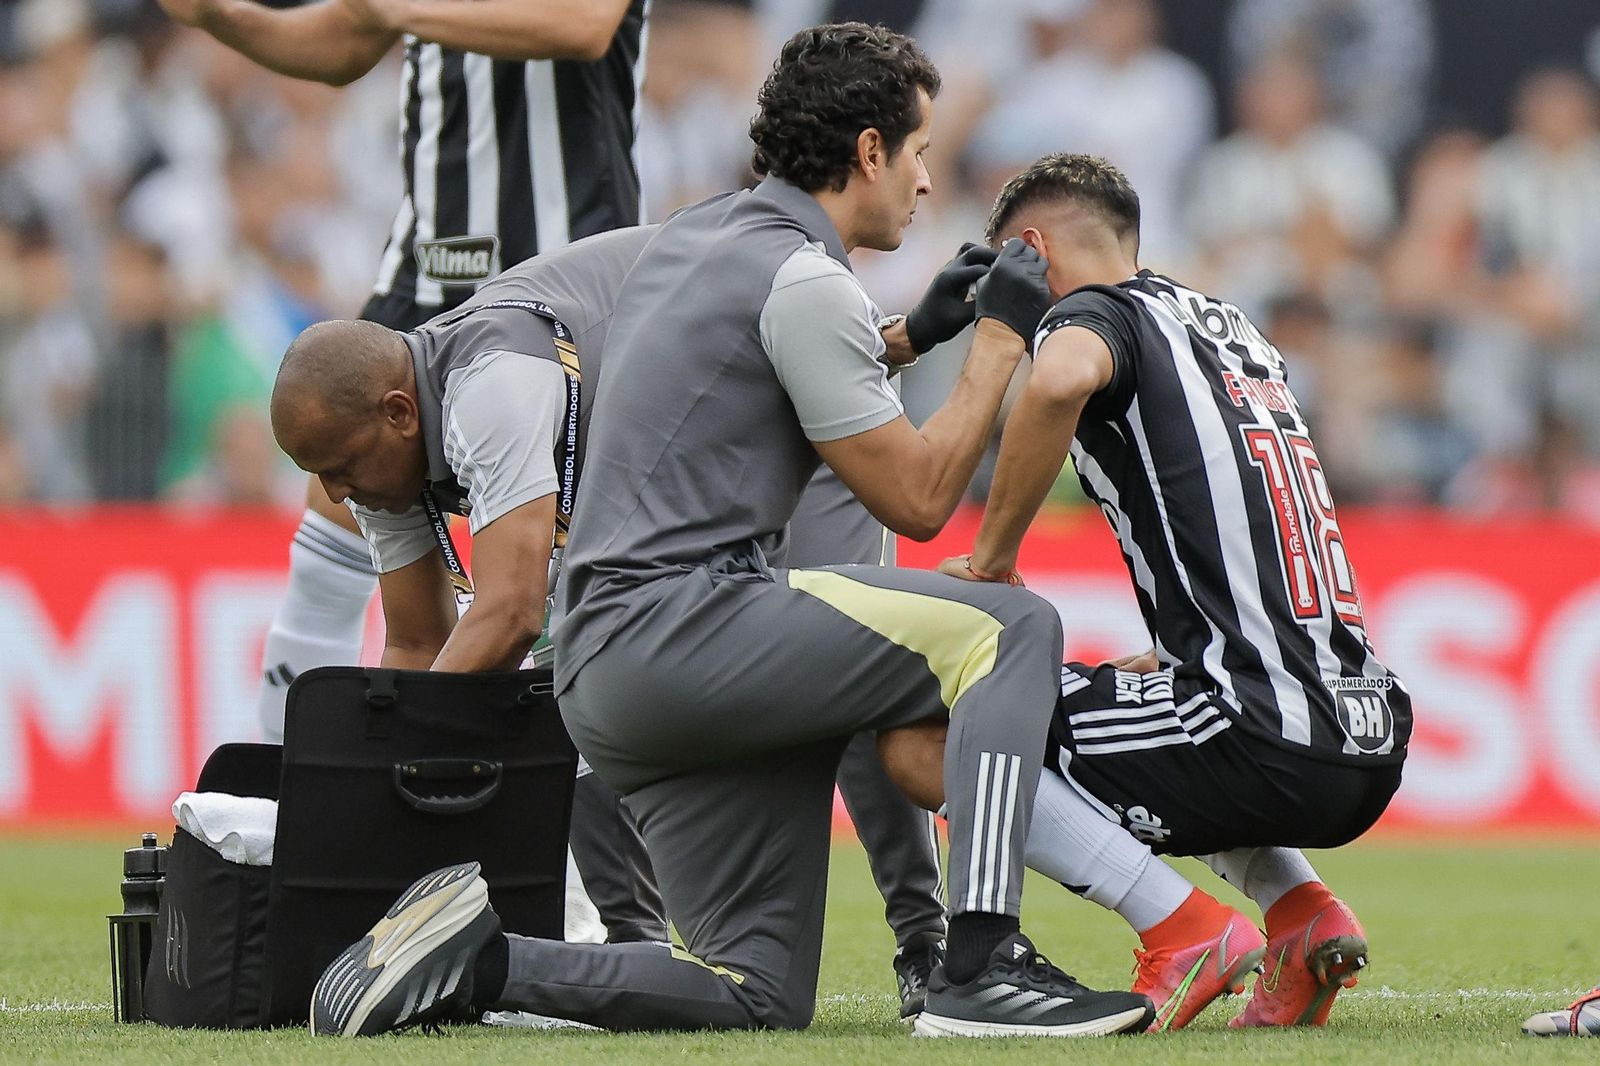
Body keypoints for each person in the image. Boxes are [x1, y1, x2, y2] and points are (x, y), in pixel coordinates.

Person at [307, 24, 1156, 1039]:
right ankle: (972, 962)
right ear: (870, 152)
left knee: (754, 991)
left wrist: (910, 335)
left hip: (614, 676)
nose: (927, 185)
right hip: (687, 629)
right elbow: (922, 499)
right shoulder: (804, 279)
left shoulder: (698, 234)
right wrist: (1000, 339)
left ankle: (481, 959)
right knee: (1008, 628)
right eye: (920, 153)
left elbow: (752, 375)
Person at [902, 153, 1411, 1031]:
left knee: (921, 734)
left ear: (1030, 250)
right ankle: (1302, 913)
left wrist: (991, 558)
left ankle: (1181, 929)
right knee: (1149, 711)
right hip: (1363, 724)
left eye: (1002, 273)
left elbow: (1060, 379)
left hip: (1264, 729)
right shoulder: (1227, 324)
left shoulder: (1093, 314)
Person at [153, 0, 648, 745]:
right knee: (339, 510)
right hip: (425, 266)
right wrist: (221, 16)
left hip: (560, 277)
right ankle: (292, 790)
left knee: (555, 590)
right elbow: (348, 43)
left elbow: (581, 22)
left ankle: (573, 834)